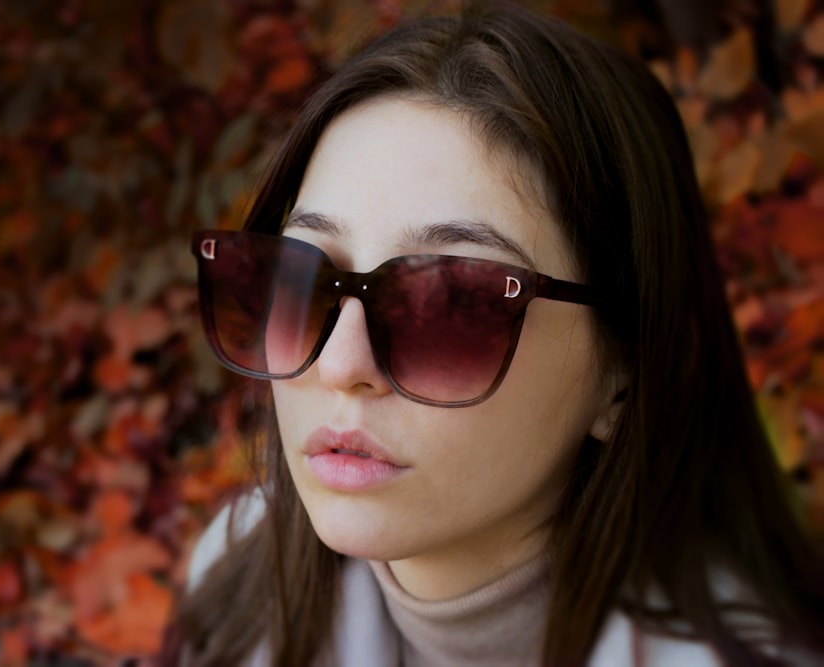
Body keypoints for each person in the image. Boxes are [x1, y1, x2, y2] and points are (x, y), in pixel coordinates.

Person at [177, 3, 824, 665]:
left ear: (623, 370)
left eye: (452, 300)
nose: (341, 365)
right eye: (303, 277)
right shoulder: (234, 582)